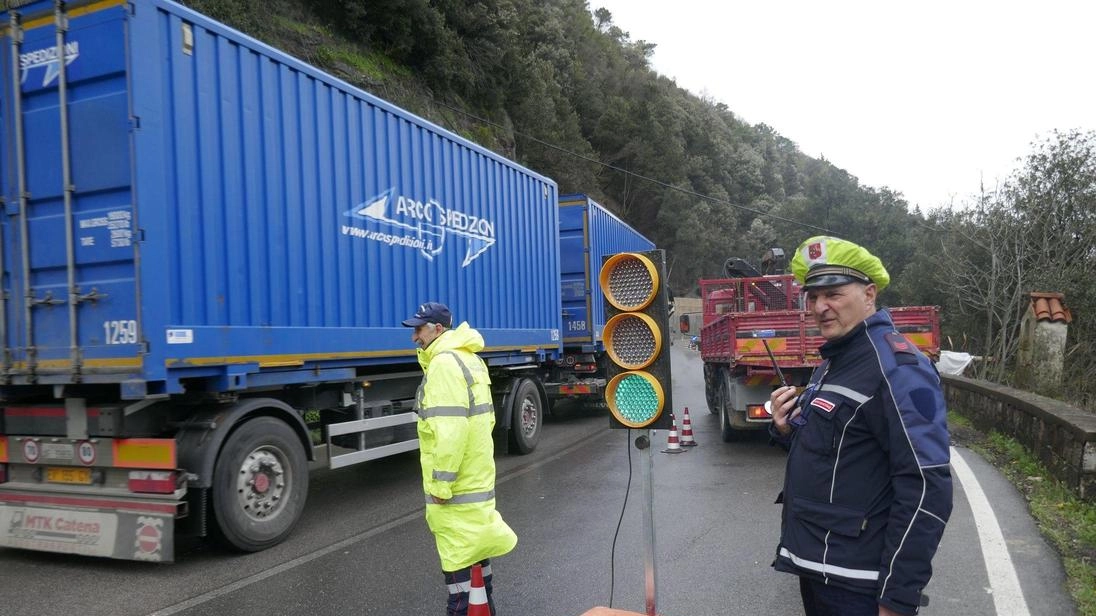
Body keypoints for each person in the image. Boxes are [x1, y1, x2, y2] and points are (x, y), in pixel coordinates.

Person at [767, 237, 952, 616]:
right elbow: (837, 452)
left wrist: (898, 596)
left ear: (869, 294)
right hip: (819, 567)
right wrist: (786, 430)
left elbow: (926, 486)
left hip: (860, 584)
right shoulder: (835, 360)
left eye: (833, 294)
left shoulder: (900, 368)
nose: (820, 307)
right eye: (812, 296)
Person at [402, 302, 518, 616]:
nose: (414, 337)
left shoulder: (442, 365)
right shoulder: (471, 359)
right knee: (478, 573)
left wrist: (440, 487)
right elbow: (483, 423)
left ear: (437, 328)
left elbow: (450, 432)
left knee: (460, 590)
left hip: (455, 493)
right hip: (475, 482)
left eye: (419, 329)